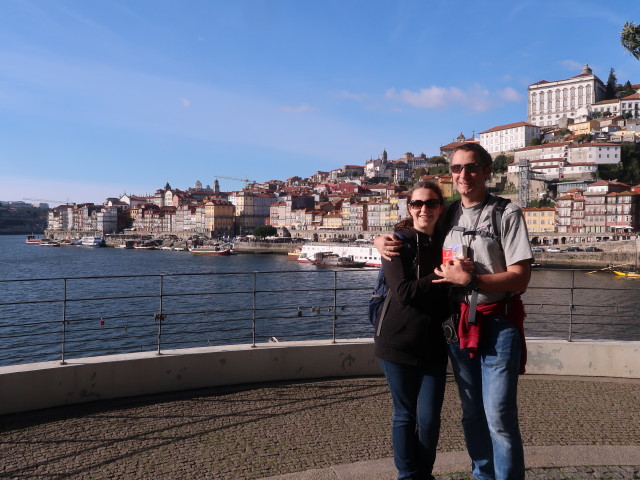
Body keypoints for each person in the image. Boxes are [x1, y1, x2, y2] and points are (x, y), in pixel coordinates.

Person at [376, 143, 533, 480]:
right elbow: (416, 223)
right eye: (457, 168)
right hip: (457, 325)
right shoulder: (449, 214)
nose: (464, 174)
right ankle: (482, 475)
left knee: (499, 415)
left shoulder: (507, 213)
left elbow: (522, 277)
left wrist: (473, 278)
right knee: (471, 413)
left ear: (488, 170)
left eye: (472, 167)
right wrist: (379, 239)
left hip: (497, 322)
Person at [374, 181, 450, 480]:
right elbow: (403, 292)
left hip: (433, 344)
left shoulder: (447, 241)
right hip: (397, 341)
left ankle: (424, 474)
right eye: (417, 204)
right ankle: (408, 476)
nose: (424, 209)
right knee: (405, 415)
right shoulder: (398, 242)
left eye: (431, 203)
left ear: (440, 207)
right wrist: (441, 275)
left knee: (430, 420)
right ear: (409, 208)